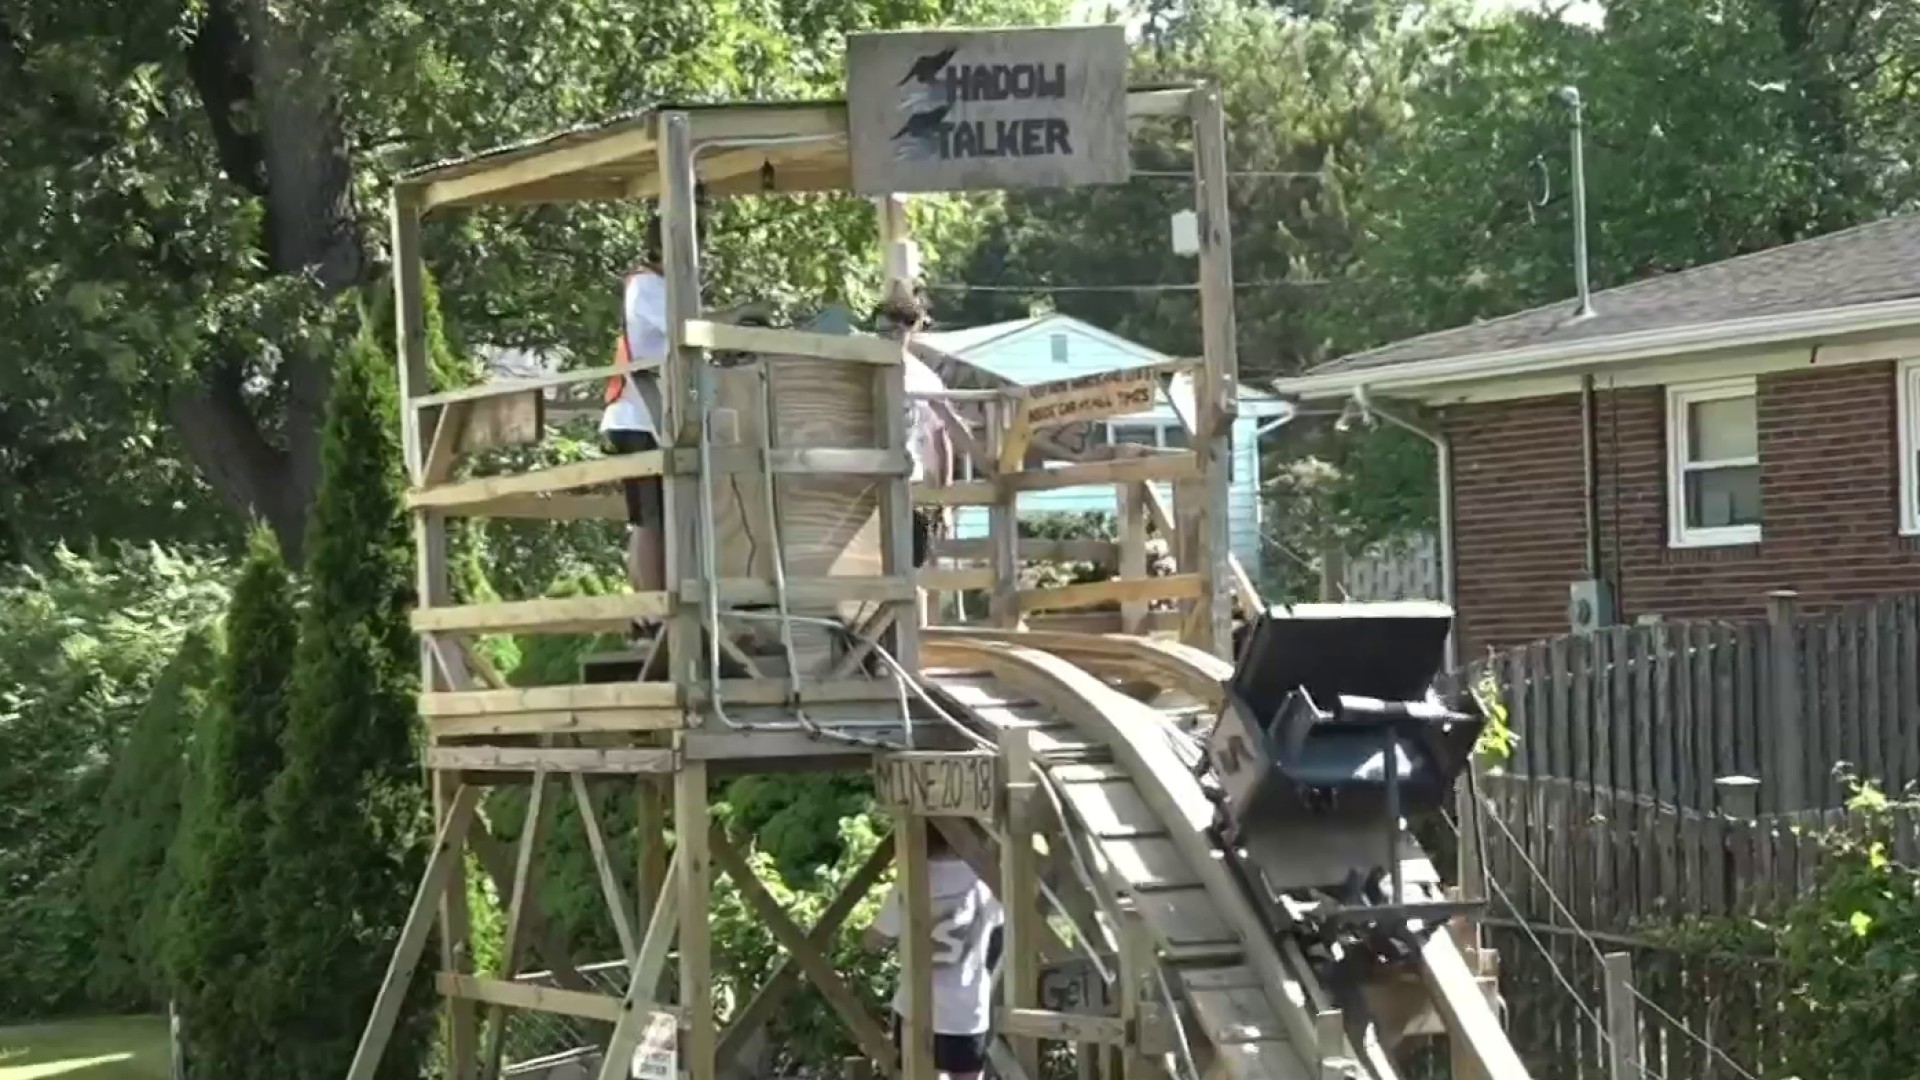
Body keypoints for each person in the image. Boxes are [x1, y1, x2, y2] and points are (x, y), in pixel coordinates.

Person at [864, 825, 1005, 1080]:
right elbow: (1000, 919)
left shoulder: (911, 878)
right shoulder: (984, 878)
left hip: (916, 1011)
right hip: (968, 1011)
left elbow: (875, 940)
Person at [602, 216, 669, 632]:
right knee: (650, 518)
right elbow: (684, 330)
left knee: (653, 516)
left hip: (652, 416)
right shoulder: (648, 286)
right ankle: (655, 610)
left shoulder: (660, 285)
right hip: (637, 414)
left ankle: (651, 608)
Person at [878, 281, 953, 570]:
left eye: (896, 329)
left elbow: (941, 438)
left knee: (909, 567)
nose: (890, 336)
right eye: (884, 330)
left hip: (910, 481)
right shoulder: (861, 370)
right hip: (864, 481)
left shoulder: (923, 379)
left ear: (909, 331)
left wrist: (943, 502)